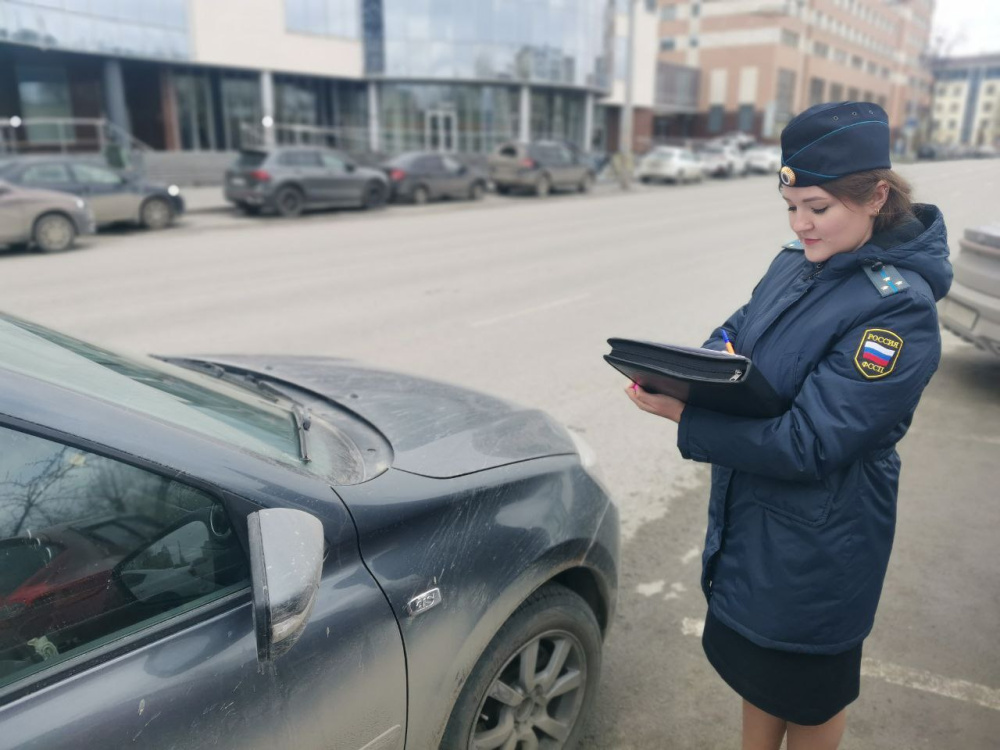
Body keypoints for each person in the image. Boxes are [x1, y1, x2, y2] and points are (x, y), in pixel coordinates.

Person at [624, 101, 953, 750]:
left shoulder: (897, 313)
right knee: (759, 677)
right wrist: (705, 358)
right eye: (791, 207)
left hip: (820, 547)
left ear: (876, 196)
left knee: (807, 693)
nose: (802, 224)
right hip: (756, 525)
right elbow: (739, 327)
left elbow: (811, 443)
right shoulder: (796, 264)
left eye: (818, 208)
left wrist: (687, 416)